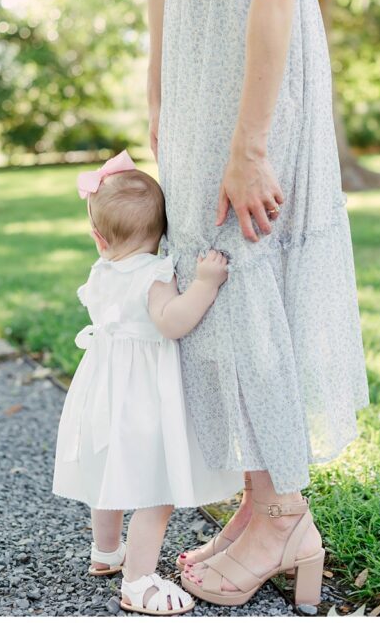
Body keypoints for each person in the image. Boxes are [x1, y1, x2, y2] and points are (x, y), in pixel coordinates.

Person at [77, 0, 368, 609]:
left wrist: (251, 145)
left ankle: (284, 516)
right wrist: (158, 92)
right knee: (212, 269)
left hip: (253, 72)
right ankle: (257, 497)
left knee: (241, 272)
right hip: (197, 70)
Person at [52, 151, 242, 616]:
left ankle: (106, 551)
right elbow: (172, 322)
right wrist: (205, 284)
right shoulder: (155, 274)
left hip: (102, 388)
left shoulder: (100, 273)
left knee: (109, 474)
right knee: (154, 490)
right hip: (141, 395)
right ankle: (138, 582)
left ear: (98, 238)